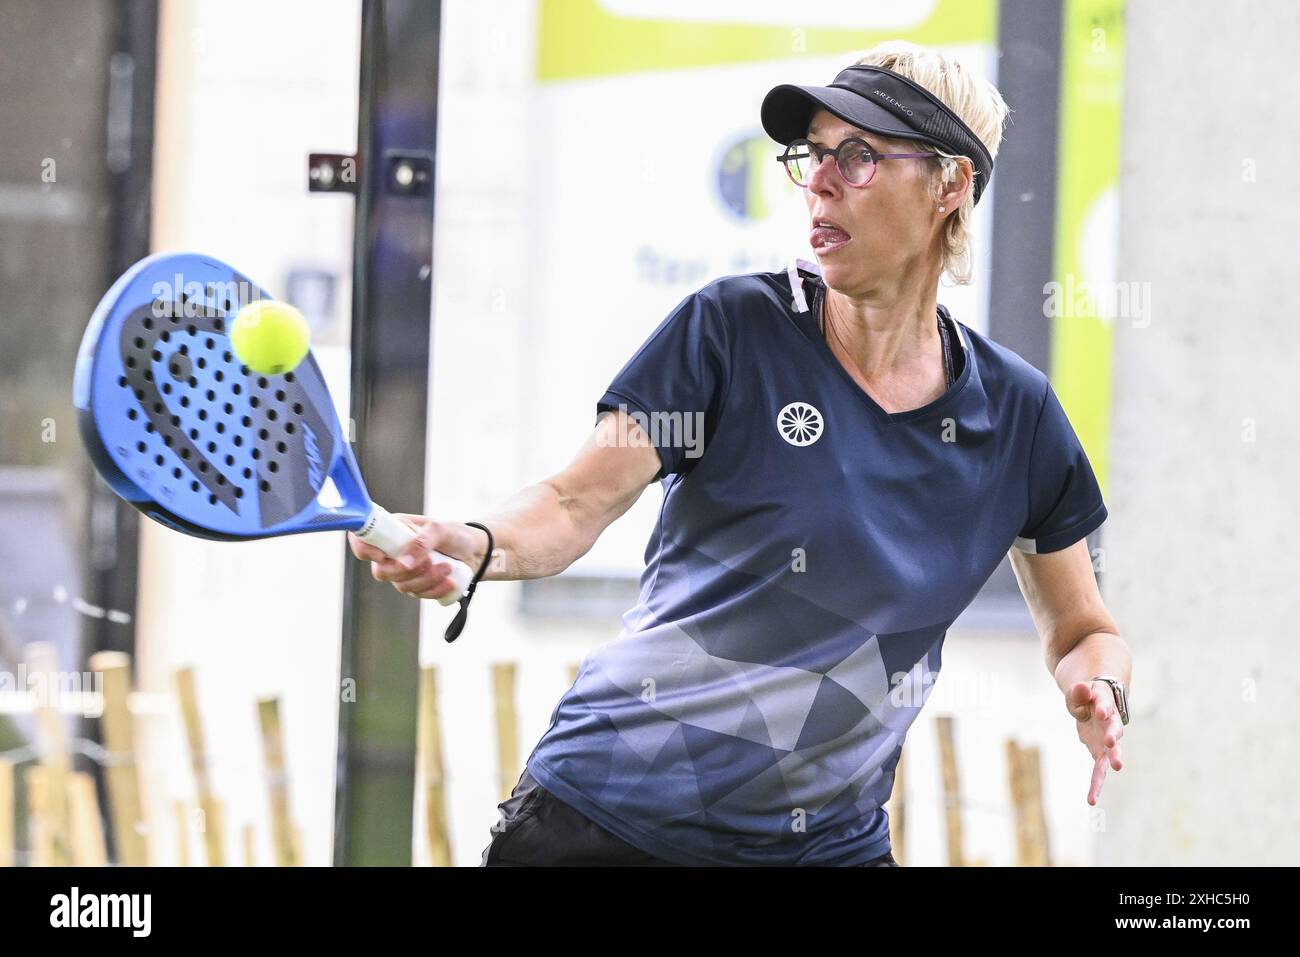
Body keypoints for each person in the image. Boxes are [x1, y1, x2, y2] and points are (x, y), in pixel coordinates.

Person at [348, 40, 1131, 867]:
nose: (821, 180)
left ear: (950, 186)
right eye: (814, 155)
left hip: (829, 846)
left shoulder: (1017, 416)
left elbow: (1082, 627)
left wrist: (1099, 686)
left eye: (859, 156)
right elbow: (577, 501)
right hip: (606, 826)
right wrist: (475, 542)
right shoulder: (728, 330)